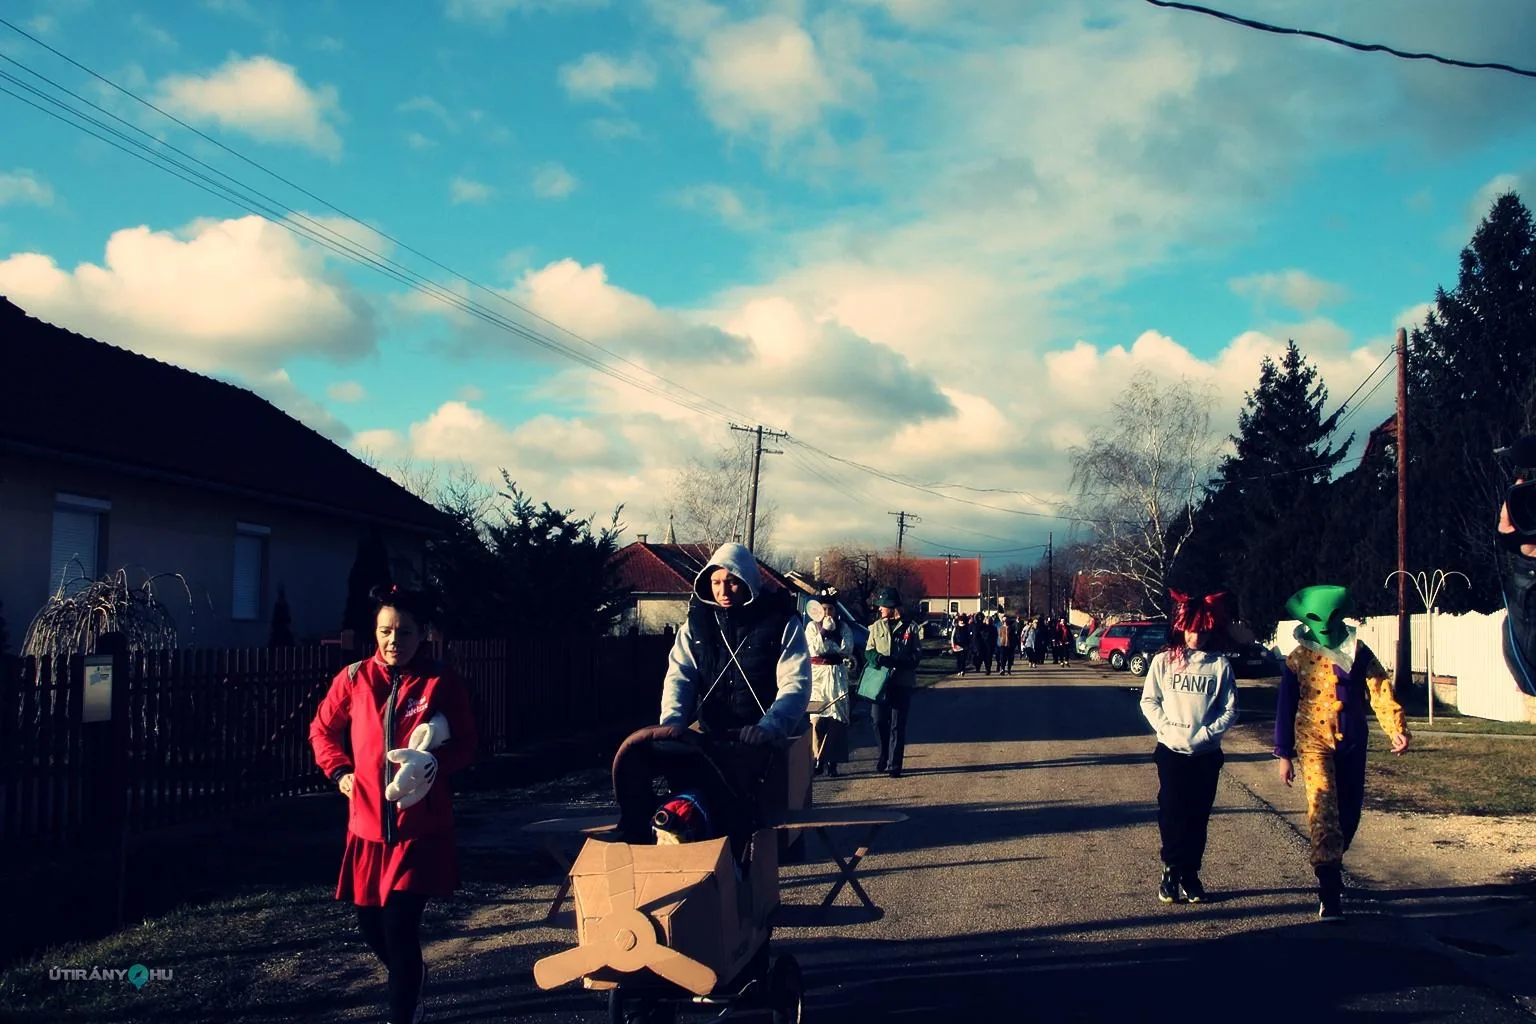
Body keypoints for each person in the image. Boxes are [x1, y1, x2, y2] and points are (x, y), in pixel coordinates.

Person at [310, 586, 478, 1024]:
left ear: (424, 634)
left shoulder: (442, 681)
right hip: (366, 830)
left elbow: (466, 744)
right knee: (371, 927)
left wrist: (433, 763)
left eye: (404, 632)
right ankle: (413, 976)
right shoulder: (353, 678)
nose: (393, 641)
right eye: (385, 631)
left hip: (420, 831)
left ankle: (404, 1010)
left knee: (399, 927)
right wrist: (339, 771)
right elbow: (322, 731)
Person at [1274, 584, 1410, 921]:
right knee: (1323, 809)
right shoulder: (1297, 658)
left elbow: (1379, 689)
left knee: (1349, 813)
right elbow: (1285, 706)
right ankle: (1329, 886)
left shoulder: (1358, 651)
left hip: (1352, 743)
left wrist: (1396, 729)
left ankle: (1333, 859)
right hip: (1313, 742)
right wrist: (1283, 753)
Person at [1139, 590, 1239, 905]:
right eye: (1192, 630)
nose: (1197, 637)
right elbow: (1149, 700)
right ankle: (1171, 869)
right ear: (1182, 627)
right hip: (1171, 751)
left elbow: (1230, 709)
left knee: (1198, 816)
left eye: (1203, 631)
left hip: (1206, 755)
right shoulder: (1163, 662)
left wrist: (1207, 734)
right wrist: (1166, 729)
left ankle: (1190, 874)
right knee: (1171, 812)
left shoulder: (1219, 665)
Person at [659, 541, 810, 747]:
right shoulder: (697, 624)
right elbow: (680, 677)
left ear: (748, 580)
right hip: (709, 738)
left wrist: (769, 727)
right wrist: (672, 724)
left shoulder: (781, 621)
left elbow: (796, 683)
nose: (723, 591)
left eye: (732, 581)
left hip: (764, 742)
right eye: (716, 582)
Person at [866, 587, 923, 777]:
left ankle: (894, 764)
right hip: (880, 683)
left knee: (897, 724)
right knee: (878, 720)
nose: (880, 609)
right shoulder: (875, 627)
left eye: (883, 605)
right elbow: (868, 650)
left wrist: (905, 663)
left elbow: (917, 653)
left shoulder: (911, 627)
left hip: (902, 682)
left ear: (892, 607)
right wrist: (878, 659)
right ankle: (883, 754)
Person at [804, 597, 855, 776]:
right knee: (817, 720)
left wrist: (834, 640)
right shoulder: (811, 627)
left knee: (836, 720)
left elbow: (847, 649)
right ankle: (818, 759)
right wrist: (824, 632)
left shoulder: (843, 627)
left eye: (831, 609)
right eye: (824, 609)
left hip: (836, 675)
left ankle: (833, 761)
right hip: (818, 675)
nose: (827, 613)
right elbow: (814, 649)